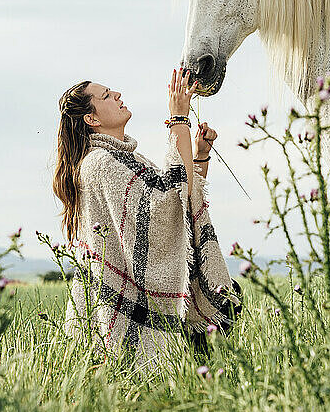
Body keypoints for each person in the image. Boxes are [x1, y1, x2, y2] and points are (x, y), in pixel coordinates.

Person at [53, 68, 241, 370]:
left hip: (138, 293)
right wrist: (178, 120)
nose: (117, 95)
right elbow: (164, 206)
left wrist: (199, 156)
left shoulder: (125, 158)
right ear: (93, 119)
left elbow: (177, 200)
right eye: (106, 96)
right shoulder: (100, 163)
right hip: (127, 303)